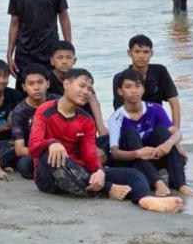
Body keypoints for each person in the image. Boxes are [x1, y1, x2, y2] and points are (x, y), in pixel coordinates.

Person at [29, 69, 184, 213]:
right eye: (81, 86)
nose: (85, 92)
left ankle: (145, 199)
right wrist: (52, 143)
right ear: (66, 84)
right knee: (56, 157)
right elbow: (33, 147)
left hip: (80, 171)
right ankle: (108, 189)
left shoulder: (87, 120)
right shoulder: (45, 110)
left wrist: (99, 171)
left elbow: (90, 155)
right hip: (50, 175)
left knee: (134, 174)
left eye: (89, 89)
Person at [108, 71, 193, 197]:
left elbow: (176, 133)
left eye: (137, 86)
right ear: (120, 91)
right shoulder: (116, 118)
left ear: (143, 89)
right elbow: (115, 153)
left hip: (152, 158)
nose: (134, 91)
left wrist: (169, 144)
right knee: (130, 132)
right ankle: (157, 182)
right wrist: (138, 153)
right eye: (128, 87)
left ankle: (180, 184)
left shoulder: (155, 108)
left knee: (162, 131)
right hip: (131, 162)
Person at [7, 0, 71, 90]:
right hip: (24, 51)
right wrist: (9, 54)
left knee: (52, 90)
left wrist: (68, 48)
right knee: (25, 91)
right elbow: (14, 24)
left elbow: (64, 18)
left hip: (50, 49)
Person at [112, 35, 181, 128]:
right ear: (129, 53)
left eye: (146, 52)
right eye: (137, 51)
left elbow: (174, 102)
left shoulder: (160, 71)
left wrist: (176, 130)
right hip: (131, 126)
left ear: (151, 53)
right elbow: (120, 111)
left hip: (157, 123)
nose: (141, 56)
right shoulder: (120, 77)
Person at [49, 41, 109, 146]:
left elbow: (94, 101)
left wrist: (101, 126)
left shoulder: (80, 76)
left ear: (74, 61)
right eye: (60, 58)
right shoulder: (47, 79)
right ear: (52, 61)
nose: (64, 61)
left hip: (81, 121)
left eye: (68, 58)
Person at [10, 64, 59, 179]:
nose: (36, 87)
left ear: (48, 84)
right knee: (24, 165)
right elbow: (19, 149)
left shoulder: (59, 102)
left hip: (61, 147)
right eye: (31, 84)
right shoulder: (19, 112)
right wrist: (46, 153)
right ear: (24, 87)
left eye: (40, 82)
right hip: (36, 152)